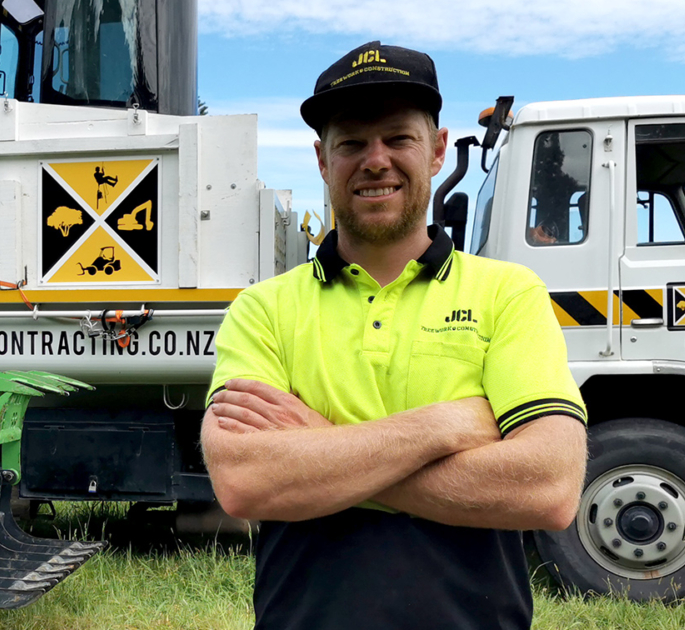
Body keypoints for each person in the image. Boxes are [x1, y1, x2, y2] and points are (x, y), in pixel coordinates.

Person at [201, 43, 589, 630]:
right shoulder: (264, 309)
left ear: (436, 151)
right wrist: (446, 425)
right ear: (321, 160)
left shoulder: (508, 294)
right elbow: (244, 480)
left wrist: (323, 447)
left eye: (398, 138)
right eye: (351, 143)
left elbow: (550, 487)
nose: (375, 160)